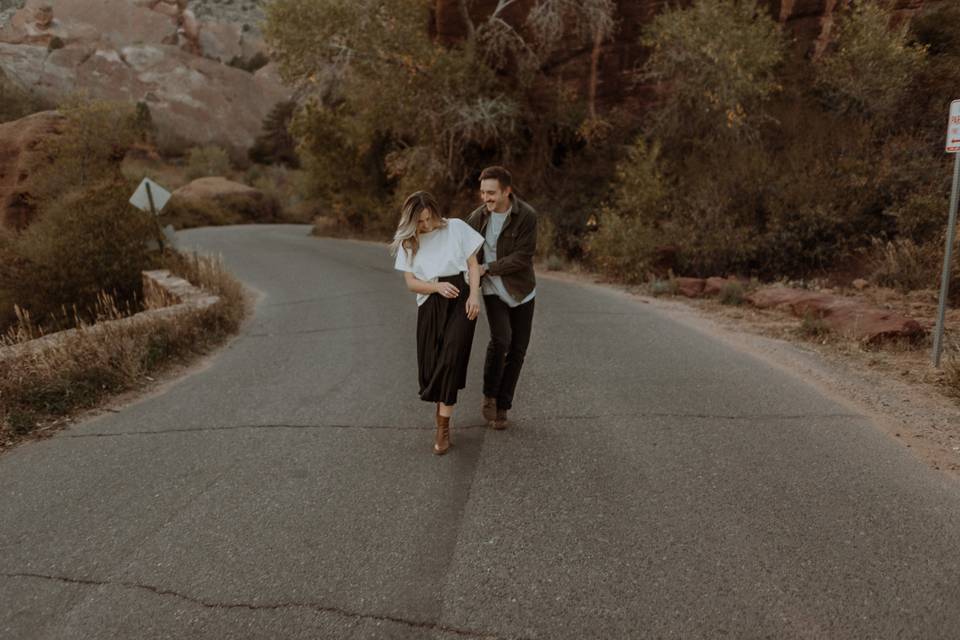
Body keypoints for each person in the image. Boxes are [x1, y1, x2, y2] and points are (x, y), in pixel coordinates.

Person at [391, 191, 484, 455]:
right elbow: (411, 284)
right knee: (433, 365)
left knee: (452, 358)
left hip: (461, 298)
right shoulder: (409, 243)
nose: (427, 225)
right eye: (420, 222)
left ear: (434, 211)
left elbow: (473, 265)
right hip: (431, 301)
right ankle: (441, 409)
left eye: (429, 218)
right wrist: (435, 286)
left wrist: (475, 295)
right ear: (411, 221)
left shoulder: (455, 227)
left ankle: (443, 429)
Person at [466, 166, 537, 430]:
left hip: (521, 289)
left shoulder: (526, 216)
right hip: (492, 290)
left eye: (492, 192)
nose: (486, 198)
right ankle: (490, 396)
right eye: (483, 192)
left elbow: (522, 257)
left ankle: (503, 407)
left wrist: (489, 268)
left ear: (507, 191)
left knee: (518, 348)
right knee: (501, 339)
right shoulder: (477, 217)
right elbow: (464, 251)